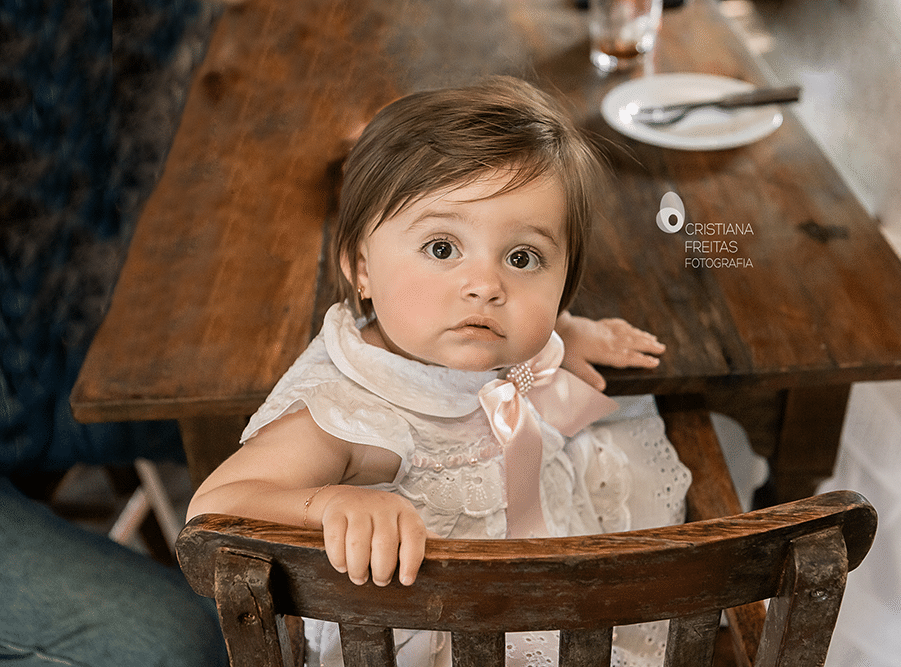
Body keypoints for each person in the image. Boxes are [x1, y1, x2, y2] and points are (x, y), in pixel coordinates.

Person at [187, 76, 692, 667]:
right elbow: (213, 511)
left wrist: (566, 332)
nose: (485, 286)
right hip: (432, 634)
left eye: (522, 258)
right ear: (361, 267)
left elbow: (529, 328)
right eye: (443, 249)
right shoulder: (349, 413)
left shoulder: (466, 333)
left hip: (537, 560)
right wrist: (329, 506)